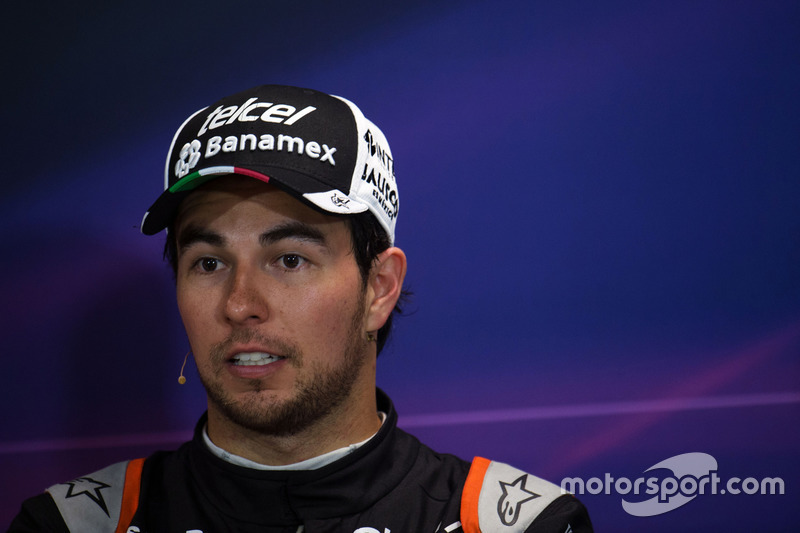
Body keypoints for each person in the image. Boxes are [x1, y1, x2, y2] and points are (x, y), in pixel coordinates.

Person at [9, 85, 592, 532]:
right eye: (208, 264)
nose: (240, 305)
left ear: (379, 288)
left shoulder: (513, 522)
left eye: (289, 260)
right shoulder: (72, 524)